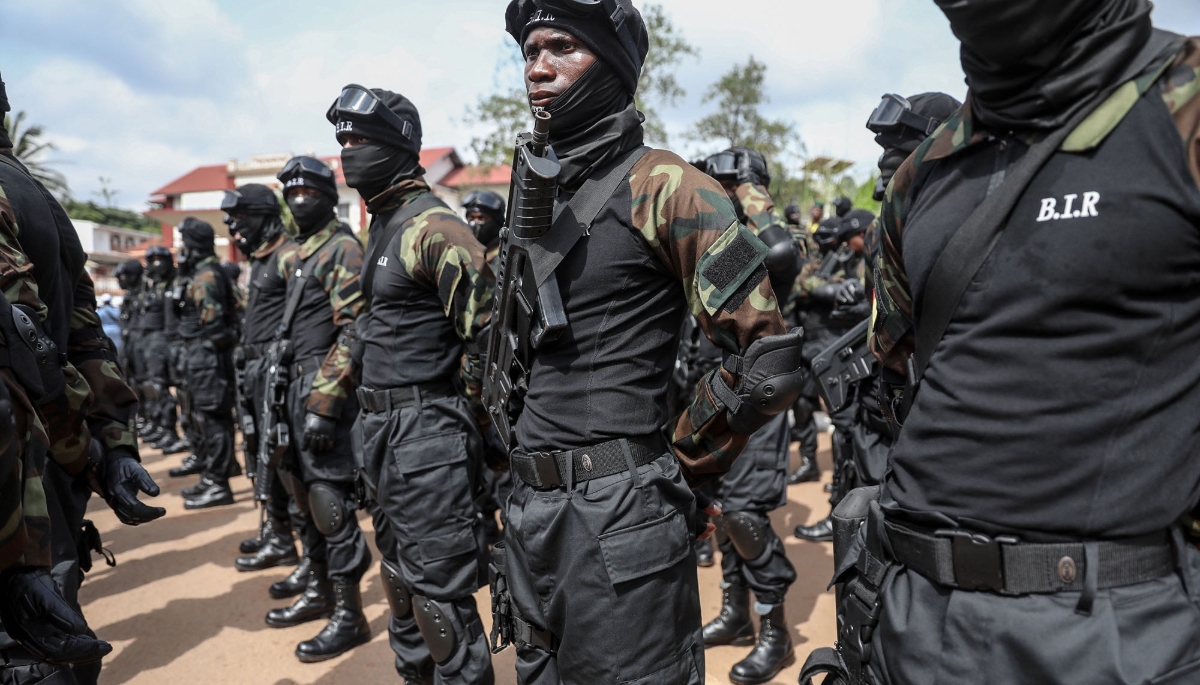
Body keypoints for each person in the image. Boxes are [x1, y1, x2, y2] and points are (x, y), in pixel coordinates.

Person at [802, 2, 1200, 683]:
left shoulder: (1182, 101)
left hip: (1112, 635)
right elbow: (896, 371)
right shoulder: (922, 173)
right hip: (914, 624)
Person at [487, 3, 803, 684]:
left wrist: (679, 463)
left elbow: (767, 364)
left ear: (612, 60)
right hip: (532, 514)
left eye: (562, 47)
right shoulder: (532, 200)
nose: (537, 67)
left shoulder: (672, 188)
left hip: (622, 519)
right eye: (529, 51)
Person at [0, 75, 164, 684]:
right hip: (47, 471)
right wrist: (110, 446)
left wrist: (85, 452)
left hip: (22, 479)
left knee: (32, 651)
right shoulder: (40, 198)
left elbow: (32, 350)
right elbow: (86, 338)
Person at [330, 85, 495, 684]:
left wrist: (462, 424)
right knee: (400, 585)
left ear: (399, 147)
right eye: (342, 140)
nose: (348, 151)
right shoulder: (385, 224)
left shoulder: (435, 227)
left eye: (360, 139)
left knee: (439, 601)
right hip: (381, 434)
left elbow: (488, 341)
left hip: (427, 436)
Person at [262, 154, 373, 664]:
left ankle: (350, 616)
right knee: (300, 497)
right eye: (292, 193)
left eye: (309, 192)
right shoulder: (295, 254)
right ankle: (320, 590)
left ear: (330, 197)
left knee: (329, 505)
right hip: (289, 388)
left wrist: (326, 403)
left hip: (320, 389)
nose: (299, 200)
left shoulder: (344, 249)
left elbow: (354, 329)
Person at [697, 147, 799, 684]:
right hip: (716, 395)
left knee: (743, 514)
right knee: (720, 510)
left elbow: (781, 249)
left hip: (758, 395)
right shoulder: (723, 243)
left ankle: (777, 634)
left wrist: (750, 186)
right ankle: (737, 615)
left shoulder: (764, 241)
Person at [218, 183, 305, 578]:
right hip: (253, 375)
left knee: (282, 460)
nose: (235, 229)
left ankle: (295, 543)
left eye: (240, 220)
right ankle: (277, 531)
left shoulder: (289, 255)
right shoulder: (261, 259)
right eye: (230, 222)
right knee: (259, 453)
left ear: (263, 217)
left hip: (276, 376)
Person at [176, 218, 241, 510]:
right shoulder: (206, 272)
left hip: (207, 358)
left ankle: (219, 483)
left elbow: (214, 326)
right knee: (206, 418)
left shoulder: (205, 276)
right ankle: (214, 475)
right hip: (202, 357)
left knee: (214, 420)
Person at [139, 246, 188, 454]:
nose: (157, 263)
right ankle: (167, 428)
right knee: (157, 387)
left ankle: (187, 435)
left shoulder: (177, 281)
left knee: (182, 390)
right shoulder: (152, 285)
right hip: (155, 342)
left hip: (174, 341)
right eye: (153, 259)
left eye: (161, 258)